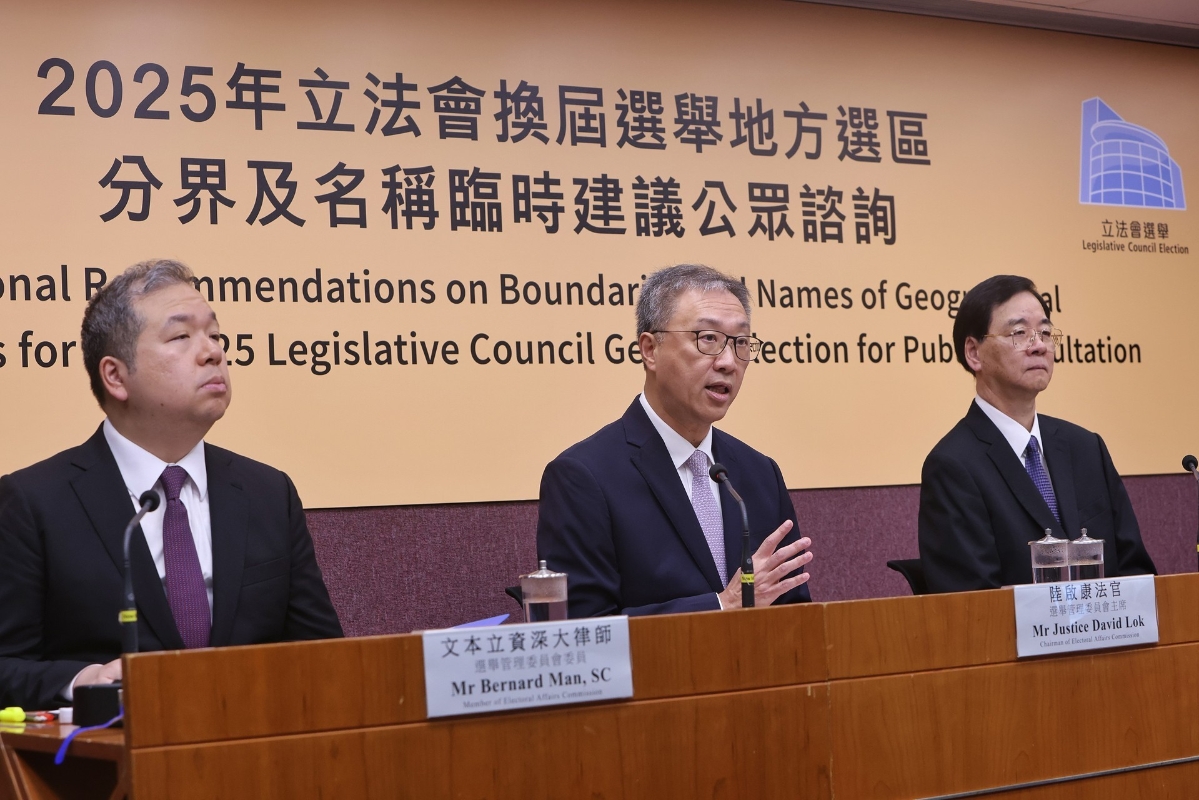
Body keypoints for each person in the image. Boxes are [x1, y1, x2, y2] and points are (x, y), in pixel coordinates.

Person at [0, 259, 343, 710]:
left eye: (215, 335)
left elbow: (324, 655)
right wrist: (85, 679)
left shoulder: (267, 493)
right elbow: (6, 665)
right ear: (115, 376)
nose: (212, 352)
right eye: (181, 337)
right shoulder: (34, 502)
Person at [537, 263, 813, 617]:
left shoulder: (759, 474)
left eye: (741, 343)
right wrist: (721, 605)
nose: (728, 362)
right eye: (708, 339)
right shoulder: (583, 477)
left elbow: (793, 611)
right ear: (650, 350)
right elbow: (583, 630)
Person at [918, 274, 1156, 593]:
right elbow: (971, 606)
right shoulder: (953, 466)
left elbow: (1136, 573)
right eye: (1019, 333)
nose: (1040, 346)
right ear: (974, 353)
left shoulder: (1087, 448)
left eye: (1045, 332)